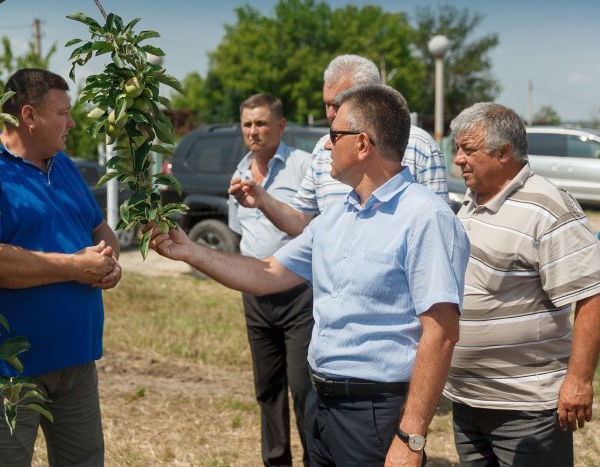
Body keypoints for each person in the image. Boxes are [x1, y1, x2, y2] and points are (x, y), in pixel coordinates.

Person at [147, 84, 470, 466]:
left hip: (376, 413)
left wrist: (411, 437)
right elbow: (269, 271)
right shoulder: (336, 216)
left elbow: (441, 333)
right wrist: (191, 252)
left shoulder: (426, 217)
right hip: (322, 407)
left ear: (363, 144)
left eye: (335, 135)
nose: (327, 146)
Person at [0, 68, 122, 466]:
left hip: (76, 360)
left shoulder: (62, 165)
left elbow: (99, 228)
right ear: (29, 115)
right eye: (63, 113)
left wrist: (109, 262)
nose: (72, 122)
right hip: (8, 368)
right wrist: (76, 267)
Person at [443, 102, 600, 466]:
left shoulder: (549, 209)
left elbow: (591, 295)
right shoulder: (469, 202)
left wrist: (578, 380)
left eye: (468, 150)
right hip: (468, 401)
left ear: (503, 153)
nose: (458, 161)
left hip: (527, 408)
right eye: (457, 149)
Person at [230, 54, 448, 237]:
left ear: (371, 97)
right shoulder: (323, 149)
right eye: (326, 104)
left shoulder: (419, 145)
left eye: (337, 104)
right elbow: (300, 220)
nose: (330, 113)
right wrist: (263, 201)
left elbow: (438, 228)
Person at [228, 93, 313, 466]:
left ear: (280, 125)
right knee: (267, 388)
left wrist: (265, 200)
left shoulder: (304, 166)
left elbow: (312, 230)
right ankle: (276, 461)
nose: (253, 131)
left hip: (298, 295)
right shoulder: (239, 171)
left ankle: (317, 459)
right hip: (256, 295)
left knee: (303, 388)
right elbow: (239, 233)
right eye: (247, 124)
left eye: (261, 123)